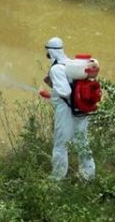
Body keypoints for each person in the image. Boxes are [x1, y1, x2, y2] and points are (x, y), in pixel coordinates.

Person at [43, 36, 95, 181]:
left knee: (60, 143)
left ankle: (57, 177)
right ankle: (88, 175)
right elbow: (72, 88)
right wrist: (51, 94)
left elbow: (65, 92)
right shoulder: (72, 65)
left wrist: (55, 92)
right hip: (81, 109)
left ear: (50, 51)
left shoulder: (56, 68)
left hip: (66, 110)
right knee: (82, 142)